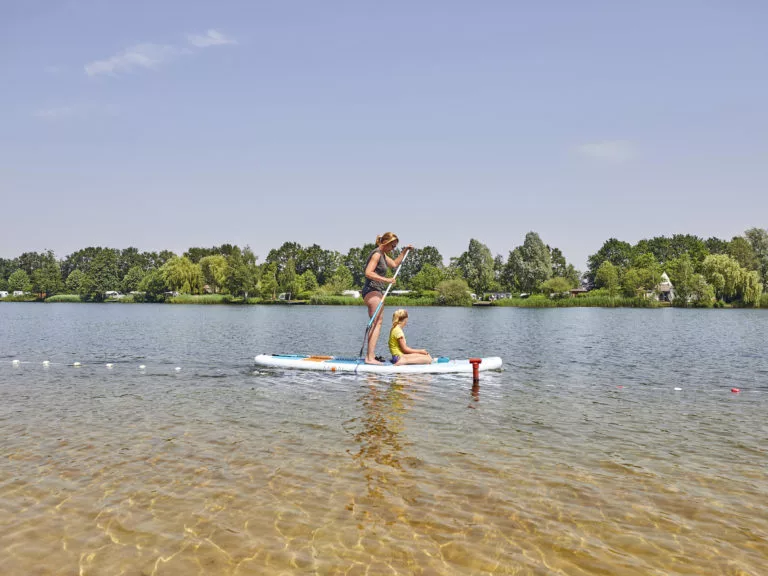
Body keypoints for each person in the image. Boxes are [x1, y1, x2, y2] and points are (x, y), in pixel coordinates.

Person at [362, 232, 412, 364]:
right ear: (386, 242)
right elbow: (368, 272)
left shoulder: (383, 255)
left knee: (378, 322)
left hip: (376, 291)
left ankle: (370, 356)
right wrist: (386, 280)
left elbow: (395, 264)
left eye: (395, 247)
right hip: (371, 290)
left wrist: (405, 251)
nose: (393, 249)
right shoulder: (377, 254)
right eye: (393, 246)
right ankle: (369, 358)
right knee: (376, 323)